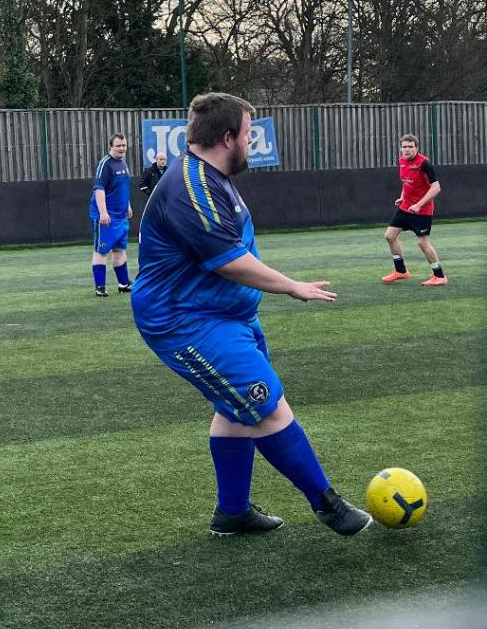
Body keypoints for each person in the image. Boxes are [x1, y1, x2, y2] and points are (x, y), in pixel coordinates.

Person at [131, 92, 372, 537]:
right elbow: (228, 261)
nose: (250, 143)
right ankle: (329, 506)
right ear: (228, 138)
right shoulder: (191, 186)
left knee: (236, 409)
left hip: (224, 315)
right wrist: (292, 286)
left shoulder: (212, 176)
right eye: (247, 134)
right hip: (185, 321)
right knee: (267, 407)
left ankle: (233, 512)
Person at [382, 134, 447, 286]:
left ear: (417, 148)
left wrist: (418, 205)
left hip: (422, 211)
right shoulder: (402, 161)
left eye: (410, 147)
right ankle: (401, 271)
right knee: (390, 236)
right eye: (404, 147)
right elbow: (407, 183)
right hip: (405, 207)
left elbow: (436, 187)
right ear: (401, 148)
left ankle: (440, 276)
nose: (407, 149)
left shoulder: (424, 163)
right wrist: (402, 197)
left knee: (422, 243)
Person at [90, 133, 133, 298]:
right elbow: (99, 189)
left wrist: (127, 205)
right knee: (101, 251)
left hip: (121, 216)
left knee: (120, 249)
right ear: (111, 147)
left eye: (124, 145)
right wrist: (103, 213)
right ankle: (100, 287)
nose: (122, 148)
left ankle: (123, 284)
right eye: (118, 146)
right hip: (107, 217)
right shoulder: (105, 164)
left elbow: (122, 187)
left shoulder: (123, 162)